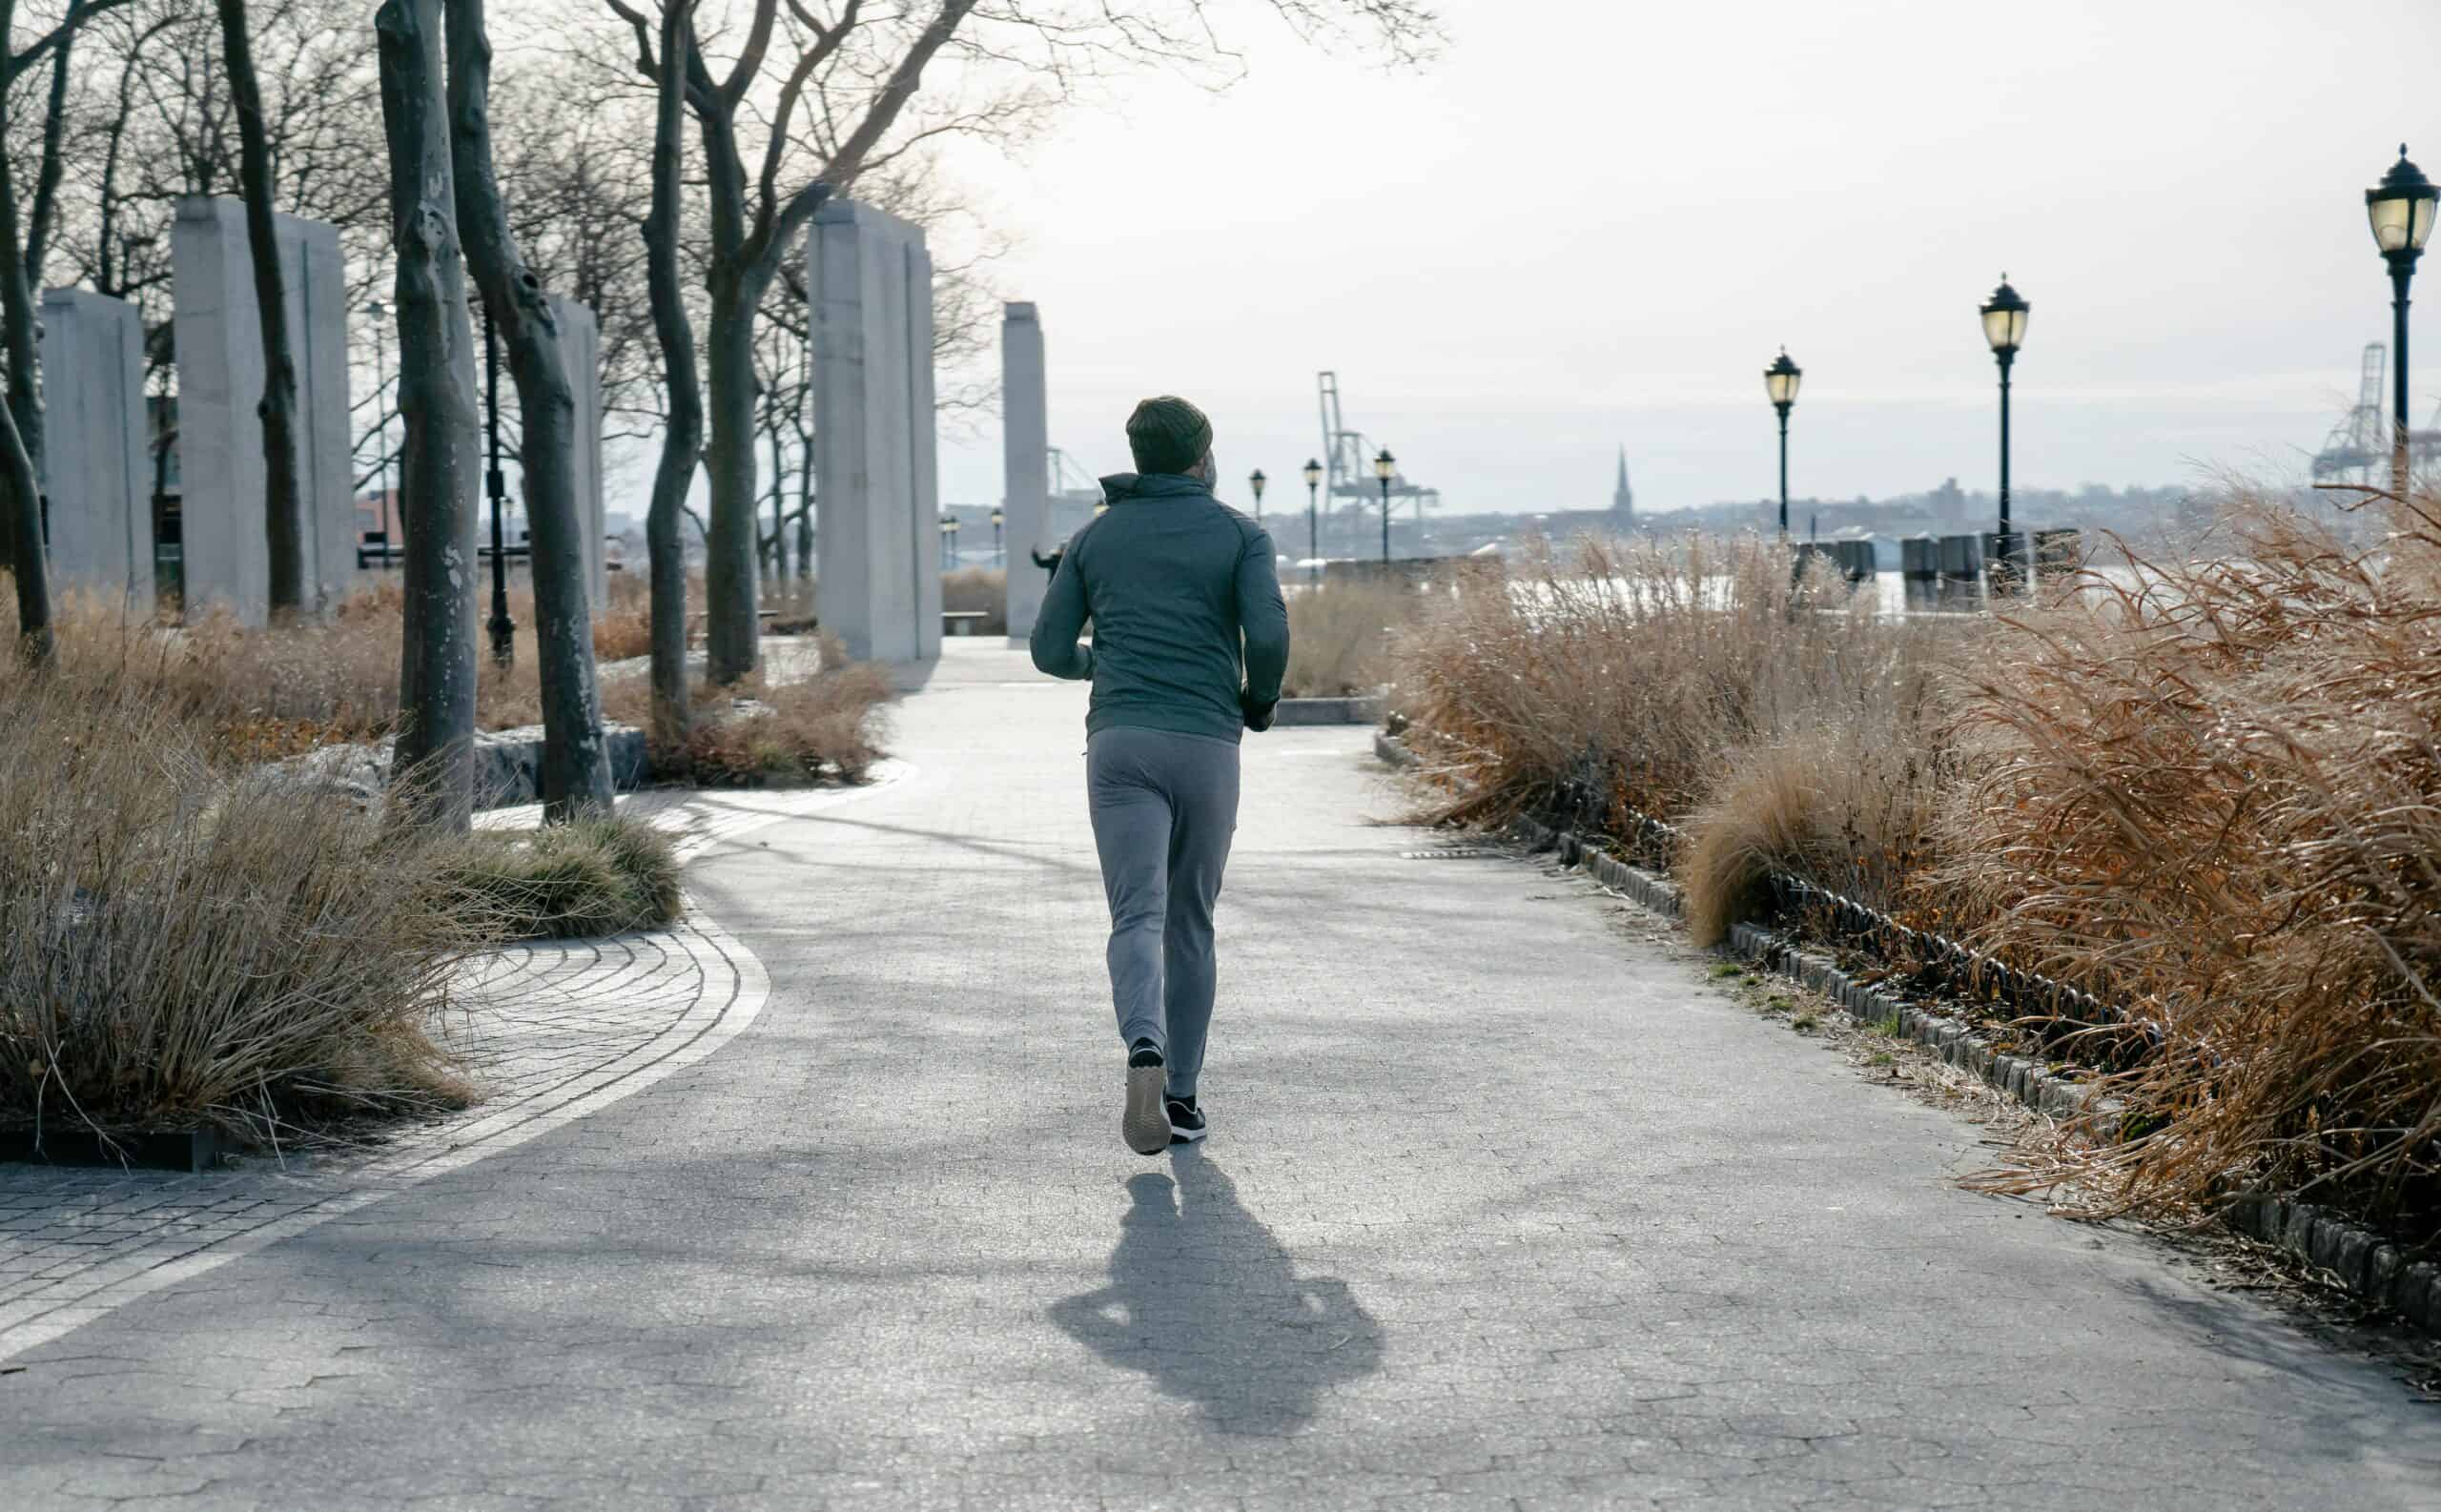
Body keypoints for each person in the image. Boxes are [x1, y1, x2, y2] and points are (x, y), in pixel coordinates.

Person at [1030, 395, 1290, 1155]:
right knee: (1190, 922)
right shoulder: (1240, 534)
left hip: (1120, 743)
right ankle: (1179, 1096)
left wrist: (1097, 664)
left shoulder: (1095, 537)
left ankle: (1143, 1042)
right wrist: (1260, 700)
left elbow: (1048, 651)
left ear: (1138, 458)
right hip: (1206, 742)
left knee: (1136, 916)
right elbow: (1269, 633)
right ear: (1203, 457)